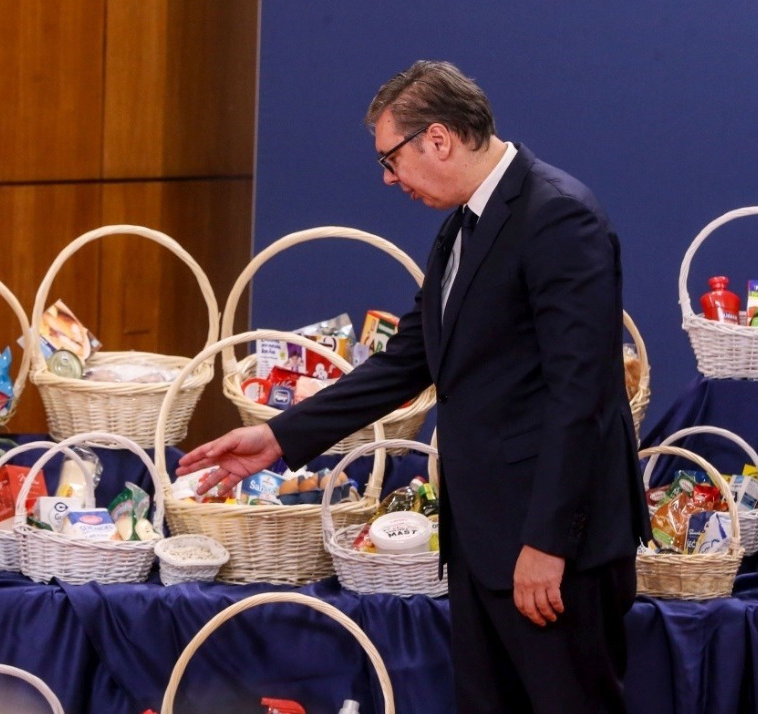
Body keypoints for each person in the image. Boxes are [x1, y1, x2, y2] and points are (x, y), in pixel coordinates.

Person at [176, 60, 650, 713]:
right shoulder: (462, 225)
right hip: (482, 541)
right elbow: (409, 360)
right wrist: (278, 437)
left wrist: (547, 544)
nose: (387, 177)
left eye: (390, 158)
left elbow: (584, 396)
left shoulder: (558, 216)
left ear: (438, 139)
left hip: (548, 552)